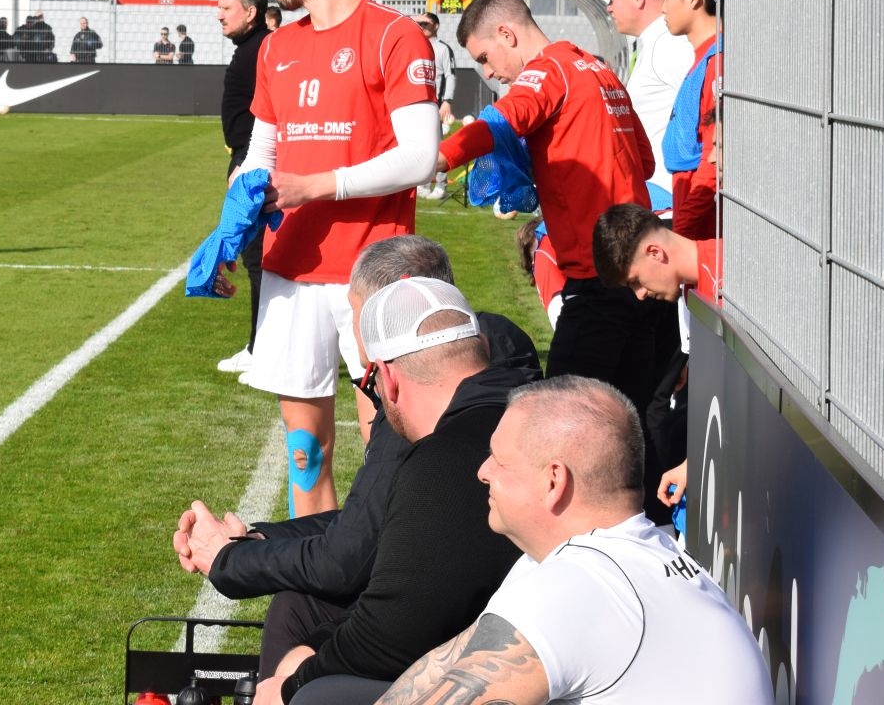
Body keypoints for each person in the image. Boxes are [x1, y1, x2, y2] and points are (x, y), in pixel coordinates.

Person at [176, 239, 538, 683]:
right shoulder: (504, 367)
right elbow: (369, 524)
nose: (356, 338)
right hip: (501, 619)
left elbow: (350, 569)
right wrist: (256, 539)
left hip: (463, 644)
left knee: (300, 615)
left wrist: (290, 679)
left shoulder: (428, 420)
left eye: (356, 312)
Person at [377, 377, 771, 705]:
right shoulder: (612, 559)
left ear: (553, 481)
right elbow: (448, 664)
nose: (483, 471)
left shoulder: (582, 585)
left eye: (499, 459)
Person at [237, 0, 439, 516]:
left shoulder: (394, 36)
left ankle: (386, 575)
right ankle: (312, 572)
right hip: (290, 269)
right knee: (305, 453)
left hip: (372, 274)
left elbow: (420, 157)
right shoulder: (275, 47)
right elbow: (260, 154)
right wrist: (228, 232)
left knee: (389, 451)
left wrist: (316, 186)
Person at [247, 276, 525, 705]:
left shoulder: (442, 462)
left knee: (314, 695)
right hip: (505, 639)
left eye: (371, 380)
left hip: (495, 669)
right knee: (299, 608)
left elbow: (390, 635)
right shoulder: (534, 413)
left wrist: (294, 682)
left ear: (389, 379)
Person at [433, 0, 674, 429]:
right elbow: (644, 161)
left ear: (507, 33)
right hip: (644, 281)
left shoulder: (547, 71)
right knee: (629, 431)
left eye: (485, 58)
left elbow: (498, 123)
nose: (488, 73)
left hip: (600, 278)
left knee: (556, 426)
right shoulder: (599, 69)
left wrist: (436, 158)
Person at [593, 200, 726, 513]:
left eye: (635, 281)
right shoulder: (689, 294)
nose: (640, 294)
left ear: (654, 252)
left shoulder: (728, 277)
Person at [594, 0, 695, 215]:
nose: (609, 7)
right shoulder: (655, 42)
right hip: (657, 195)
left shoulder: (668, 44)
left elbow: (706, 105)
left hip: (668, 200)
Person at [213, 0, 270, 373]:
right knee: (259, 258)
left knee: (259, 258)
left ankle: (261, 350)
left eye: (226, 8)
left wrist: (247, 161)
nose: (219, 15)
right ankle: (261, 347)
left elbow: (270, 111)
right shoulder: (251, 49)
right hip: (247, 156)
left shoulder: (262, 50)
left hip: (255, 160)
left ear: (250, 12)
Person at [657, 0, 722, 242]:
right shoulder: (704, 58)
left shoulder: (717, 61)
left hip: (703, 227)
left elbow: (714, 159)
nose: (662, 8)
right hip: (691, 213)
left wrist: (681, 233)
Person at [413, 12, 457, 198]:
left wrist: (447, 100)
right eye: (419, 23)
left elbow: (450, 75)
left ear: (436, 26)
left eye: (426, 23)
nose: (422, 26)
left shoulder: (443, 49)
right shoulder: (414, 45)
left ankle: (440, 185)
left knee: (437, 146)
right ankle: (422, 184)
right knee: (418, 145)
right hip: (416, 104)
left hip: (434, 103)